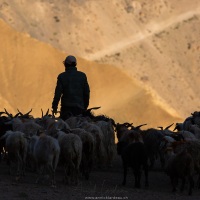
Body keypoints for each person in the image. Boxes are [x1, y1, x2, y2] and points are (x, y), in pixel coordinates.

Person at [52, 55, 90, 120]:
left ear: (65, 64)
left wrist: (54, 107)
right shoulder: (82, 76)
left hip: (66, 110)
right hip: (79, 109)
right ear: (75, 64)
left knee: (64, 128)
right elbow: (86, 93)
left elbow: (57, 94)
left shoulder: (61, 76)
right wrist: (85, 107)